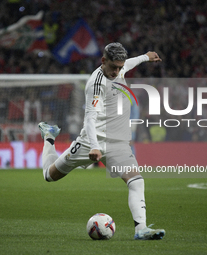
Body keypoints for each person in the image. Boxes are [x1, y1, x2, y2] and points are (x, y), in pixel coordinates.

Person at [38, 42, 165, 240]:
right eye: (113, 67)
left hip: (117, 144)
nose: (117, 71)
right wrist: (95, 147)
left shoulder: (119, 69)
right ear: (103, 61)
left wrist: (145, 57)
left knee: (136, 182)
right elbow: (90, 118)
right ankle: (49, 136)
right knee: (49, 175)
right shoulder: (96, 84)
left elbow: (128, 64)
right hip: (91, 141)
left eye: (119, 68)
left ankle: (141, 229)